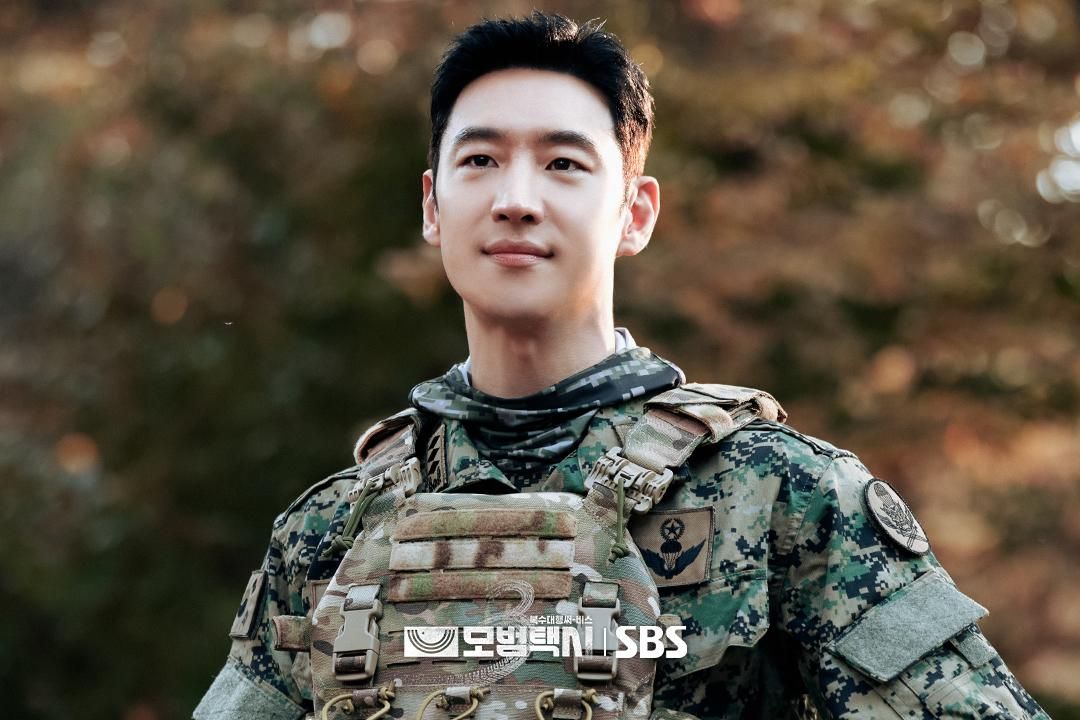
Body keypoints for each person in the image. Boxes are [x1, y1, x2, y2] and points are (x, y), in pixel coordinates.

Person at [194, 12, 1049, 720]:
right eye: (480, 160)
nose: (516, 199)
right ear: (432, 206)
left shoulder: (782, 496)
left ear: (635, 213)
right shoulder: (330, 533)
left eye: (563, 164)